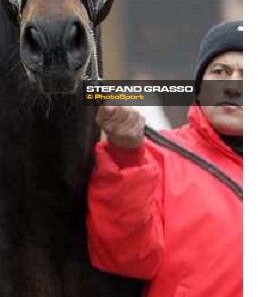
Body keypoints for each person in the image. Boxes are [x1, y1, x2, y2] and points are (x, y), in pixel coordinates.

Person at [87, 20, 243, 297]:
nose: (232, 86)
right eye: (220, 72)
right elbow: (127, 255)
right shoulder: (155, 156)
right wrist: (125, 157)